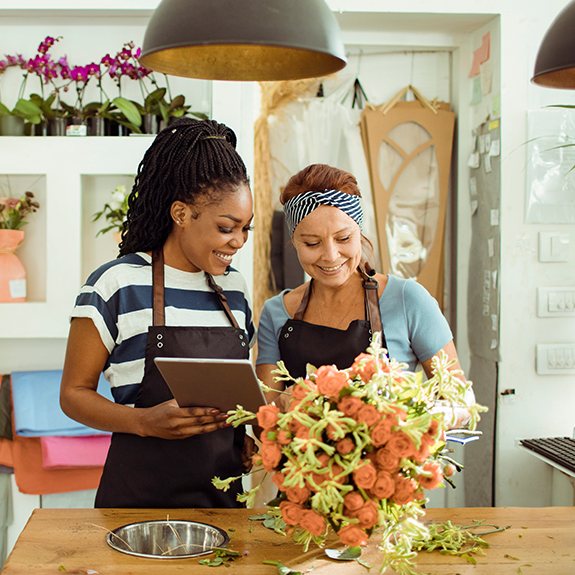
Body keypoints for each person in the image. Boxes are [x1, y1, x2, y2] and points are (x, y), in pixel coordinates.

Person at [60, 118, 256, 508]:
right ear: (181, 214)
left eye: (246, 229)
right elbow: (73, 394)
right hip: (136, 505)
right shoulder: (116, 283)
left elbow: (231, 392)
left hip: (224, 508)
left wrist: (242, 437)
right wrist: (142, 422)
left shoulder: (234, 288)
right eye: (226, 227)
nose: (238, 241)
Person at [256, 163, 475, 428]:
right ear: (294, 242)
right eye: (312, 243)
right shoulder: (276, 312)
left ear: (360, 232)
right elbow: (264, 423)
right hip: (302, 469)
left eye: (344, 238)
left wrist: (405, 418)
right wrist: (283, 406)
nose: (330, 255)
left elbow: (462, 403)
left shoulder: (407, 299)